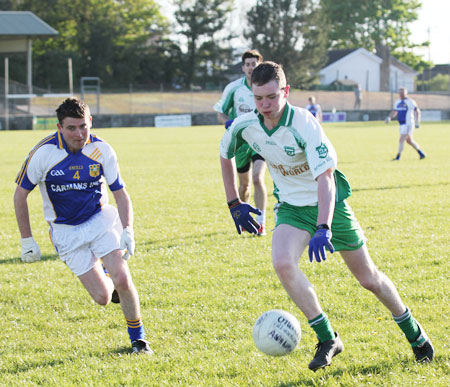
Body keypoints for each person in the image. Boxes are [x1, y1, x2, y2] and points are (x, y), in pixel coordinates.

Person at [220, 62, 434, 371]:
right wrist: (234, 203)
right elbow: (224, 153)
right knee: (282, 263)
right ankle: (327, 337)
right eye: (258, 98)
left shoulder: (304, 123)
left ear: (286, 91)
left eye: (271, 97)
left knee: (368, 278)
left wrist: (324, 226)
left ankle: (415, 334)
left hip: (329, 205)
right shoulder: (246, 124)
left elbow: (326, 179)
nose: (264, 105)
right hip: (292, 208)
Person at [14, 98, 152, 355]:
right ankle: (104, 272)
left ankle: (139, 340)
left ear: (90, 122)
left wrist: (128, 229)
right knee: (102, 297)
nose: (79, 134)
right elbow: (20, 195)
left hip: (100, 220)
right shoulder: (42, 153)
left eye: (83, 126)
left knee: (123, 278)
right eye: (71, 128)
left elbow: (121, 194)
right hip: (66, 232)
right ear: (59, 127)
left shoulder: (102, 150)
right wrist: (26, 240)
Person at [214, 49, 267, 235]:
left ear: (260, 65)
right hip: (241, 143)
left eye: (254, 64)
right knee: (244, 186)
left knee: (257, 178)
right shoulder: (234, 88)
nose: (251, 67)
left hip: (261, 141)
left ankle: (261, 223)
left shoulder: (266, 86)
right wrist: (227, 122)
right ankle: (245, 217)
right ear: (243, 67)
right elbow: (221, 112)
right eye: (248, 64)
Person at [385, 87, 426, 161]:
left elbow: (417, 111)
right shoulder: (398, 102)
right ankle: (421, 153)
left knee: (401, 139)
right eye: (399, 92)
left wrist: (417, 122)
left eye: (402, 92)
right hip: (402, 124)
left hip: (408, 123)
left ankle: (398, 156)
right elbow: (395, 111)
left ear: (406, 93)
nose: (400, 94)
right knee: (409, 141)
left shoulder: (410, 101)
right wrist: (389, 117)